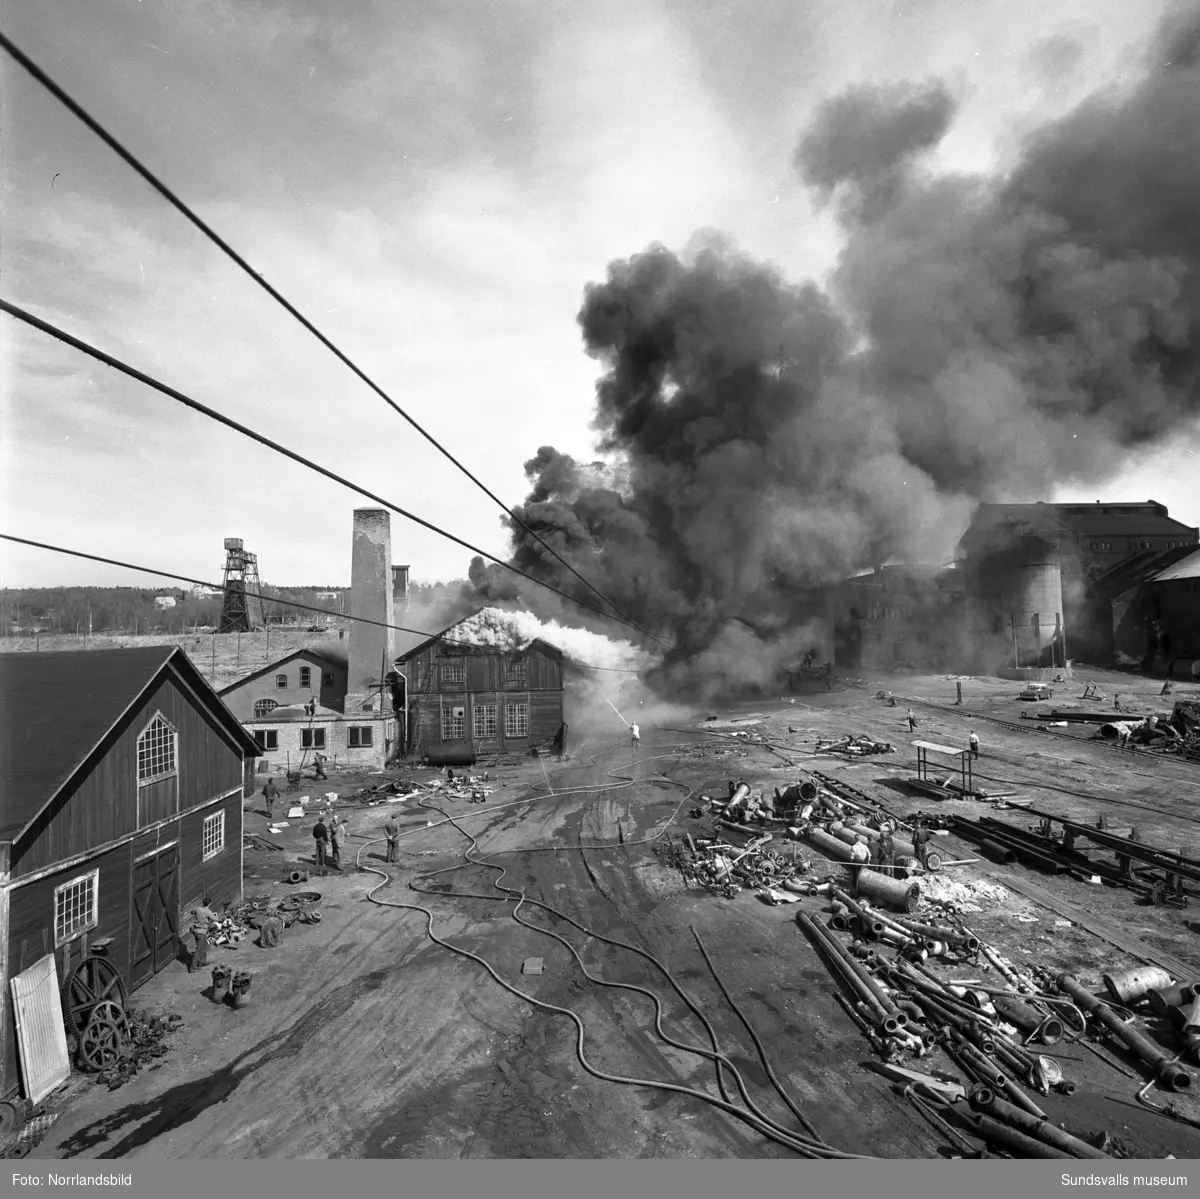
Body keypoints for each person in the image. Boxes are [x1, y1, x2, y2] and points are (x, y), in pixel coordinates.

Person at [189, 897, 216, 974]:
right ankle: (193, 968)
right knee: (198, 950)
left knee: (203, 947)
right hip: (202, 932)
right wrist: (215, 915)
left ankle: (201, 962)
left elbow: (191, 912)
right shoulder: (208, 911)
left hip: (196, 931)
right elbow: (215, 919)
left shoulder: (198, 909)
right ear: (210, 903)